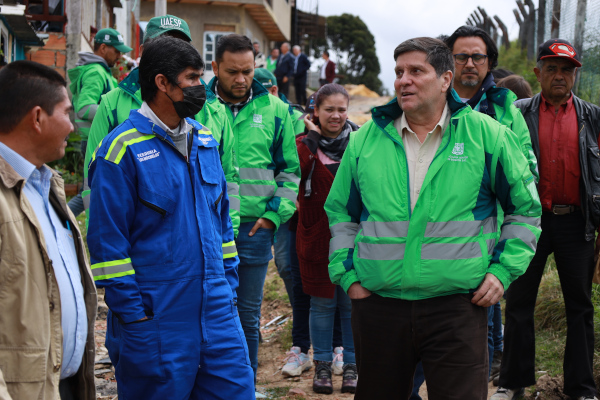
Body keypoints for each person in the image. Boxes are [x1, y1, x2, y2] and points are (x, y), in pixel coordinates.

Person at [325, 36, 542, 399]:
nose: (403, 80)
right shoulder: (366, 141)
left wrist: (502, 271)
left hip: (457, 306)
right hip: (379, 305)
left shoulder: (486, 136)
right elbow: (341, 213)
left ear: (445, 79)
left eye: (415, 71)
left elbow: (525, 208)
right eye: (398, 72)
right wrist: (347, 275)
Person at [87, 36, 254, 399]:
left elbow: (222, 225)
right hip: (157, 319)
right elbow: (107, 247)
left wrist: (227, 288)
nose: (201, 88)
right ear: (162, 82)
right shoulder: (120, 150)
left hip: (218, 313)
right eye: (193, 78)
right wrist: (135, 317)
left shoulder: (205, 140)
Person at [492, 39, 600, 400]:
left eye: (566, 70)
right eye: (551, 68)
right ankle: (512, 383)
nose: (559, 76)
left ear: (575, 76)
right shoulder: (517, 113)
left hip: (576, 222)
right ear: (537, 73)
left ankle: (581, 388)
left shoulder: (592, 116)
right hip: (528, 223)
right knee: (519, 302)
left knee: (580, 307)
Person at [83, 14, 240, 236]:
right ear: (142, 52)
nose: (170, 51)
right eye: (161, 44)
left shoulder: (212, 108)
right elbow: (94, 184)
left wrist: (227, 233)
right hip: (145, 247)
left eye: (179, 45)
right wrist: (100, 236)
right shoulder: (113, 103)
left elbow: (228, 179)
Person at [0, 60, 97, 400]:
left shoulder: (46, 185)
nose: (73, 126)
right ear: (38, 118)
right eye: (67, 113)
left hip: (62, 385)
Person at [208, 34, 300, 391]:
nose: (241, 79)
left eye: (248, 71)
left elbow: (289, 171)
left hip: (254, 230)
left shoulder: (276, 111)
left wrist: (273, 217)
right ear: (215, 68)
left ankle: (243, 387)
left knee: (247, 313)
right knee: (210, 310)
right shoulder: (197, 106)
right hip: (208, 229)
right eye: (232, 71)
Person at [297, 83, 359, 394]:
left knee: (350, 304)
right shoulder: (303, 144)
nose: (336, 116)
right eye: (329, 109)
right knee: (321, 304)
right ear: (315, 112)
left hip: (354, 241)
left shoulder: (361, 143)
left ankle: (351, 365)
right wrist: (311, 139)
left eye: (341, 109)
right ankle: (321, 365)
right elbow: (296, 173)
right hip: (316, 239)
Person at [67, 27, 132, 216]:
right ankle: (61, 221)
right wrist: (120, 116)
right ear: (103, 48)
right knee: (92, 189)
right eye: (116, 50)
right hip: (95, 141)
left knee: (96, 188)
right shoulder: (96, 72)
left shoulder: (101, 72)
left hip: (98, 140)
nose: (119, 55)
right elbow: (84, 108)